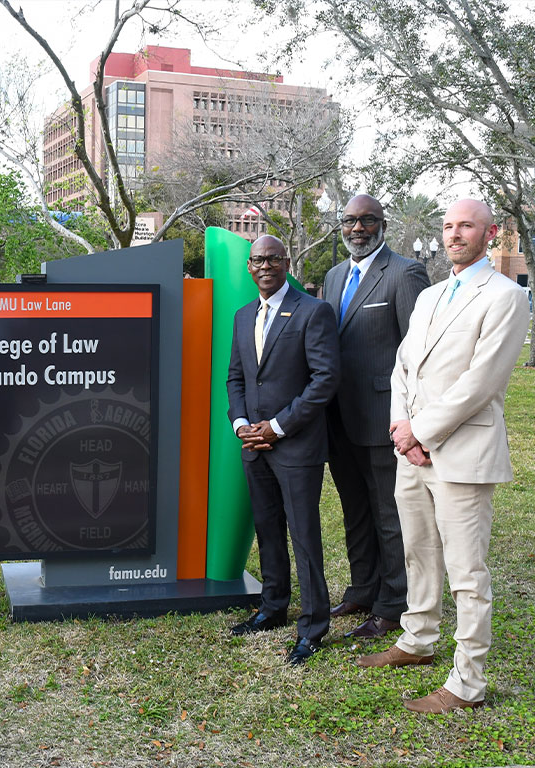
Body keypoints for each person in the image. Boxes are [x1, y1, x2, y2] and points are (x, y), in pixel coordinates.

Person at [357, 199, 529, 713]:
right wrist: (401, 426)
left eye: (466, 226)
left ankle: (467, 683)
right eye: (449, 226)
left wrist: (421, 432)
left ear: (490, 233)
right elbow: (402, 365)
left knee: (466, 572)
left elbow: (483, 380)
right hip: (413, 451)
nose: (455, 234)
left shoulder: (505, 296)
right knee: (418, 551)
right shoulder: (431, 295)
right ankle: (417, 639)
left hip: (462, 450)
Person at [226, 235, 339, 665]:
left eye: (273, 258)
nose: (265, 266)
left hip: (296, 445)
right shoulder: (242, 316)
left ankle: (313, 626)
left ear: (286, 262)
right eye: (257, 260)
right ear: (249, 267)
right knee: (267, 529)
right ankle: (273, 607)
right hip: (254, 446)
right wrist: (242, 427)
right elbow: (236, 379)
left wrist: (276, 427)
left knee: (304, 536)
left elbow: (324, 380)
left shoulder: (313, 311)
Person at [321, 195, 430, 638]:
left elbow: (421, 354)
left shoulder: (405, 273)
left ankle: (393, 605)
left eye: (367, 220)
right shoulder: (332, 276)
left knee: (390, 514)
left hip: (385, 418)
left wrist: (414, 421)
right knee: (355, 510)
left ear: (382, 224)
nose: (357, 229)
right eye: (349, 221)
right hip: (337, 419)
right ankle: (363, 588)